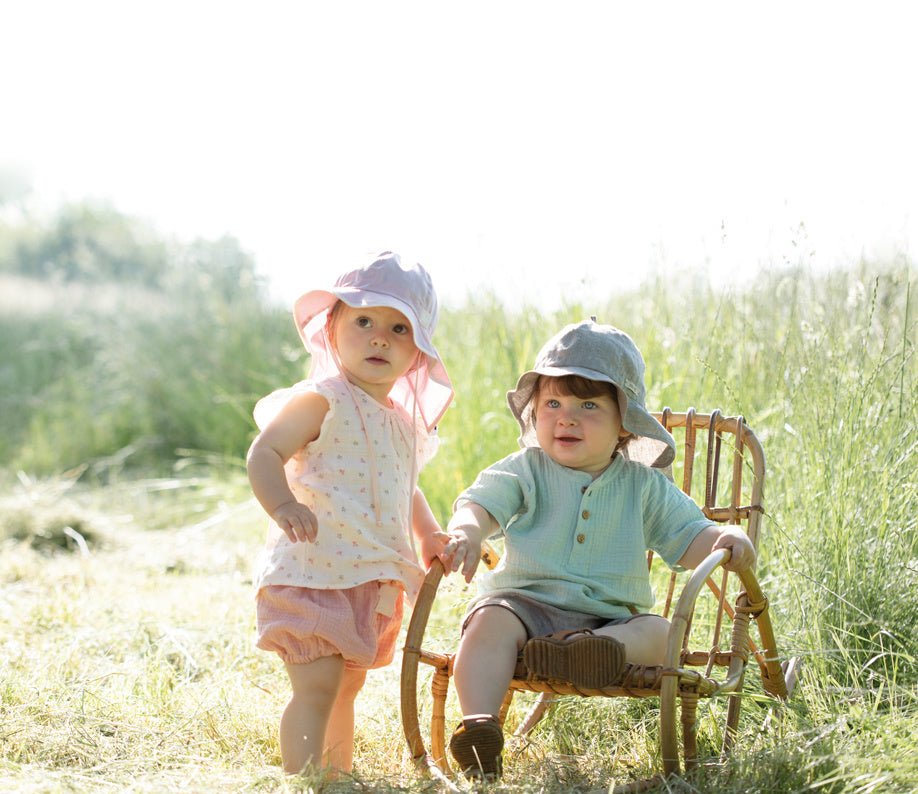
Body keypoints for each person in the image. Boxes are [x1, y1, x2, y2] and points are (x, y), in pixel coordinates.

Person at [441, 319, 755, 778]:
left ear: (625, 425)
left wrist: (722, 539)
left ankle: (585, 650)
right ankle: (480, 727)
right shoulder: (526, 470)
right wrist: (468, 531)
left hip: (612, 620)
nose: (566, 417)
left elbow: (688, 535)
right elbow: (481, 503)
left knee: (661, 634)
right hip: (524, 607)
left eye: (588, 405)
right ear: (535, 412)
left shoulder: (643, 486)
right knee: (487, 624)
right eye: (552, 403)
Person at [246, 251, 454, 775]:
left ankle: (335, 776)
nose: (379, 337)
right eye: (364, 321)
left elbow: (404, 487)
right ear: (333, 328)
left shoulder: (405, 425)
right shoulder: (322, 400)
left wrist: (427, 533)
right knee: (316, 683)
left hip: (367, 577)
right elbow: (265, 453)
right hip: (314, 571)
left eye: (398, 328)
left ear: (417, 353)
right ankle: (305, 778)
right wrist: (283, 504)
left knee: (346, 685)